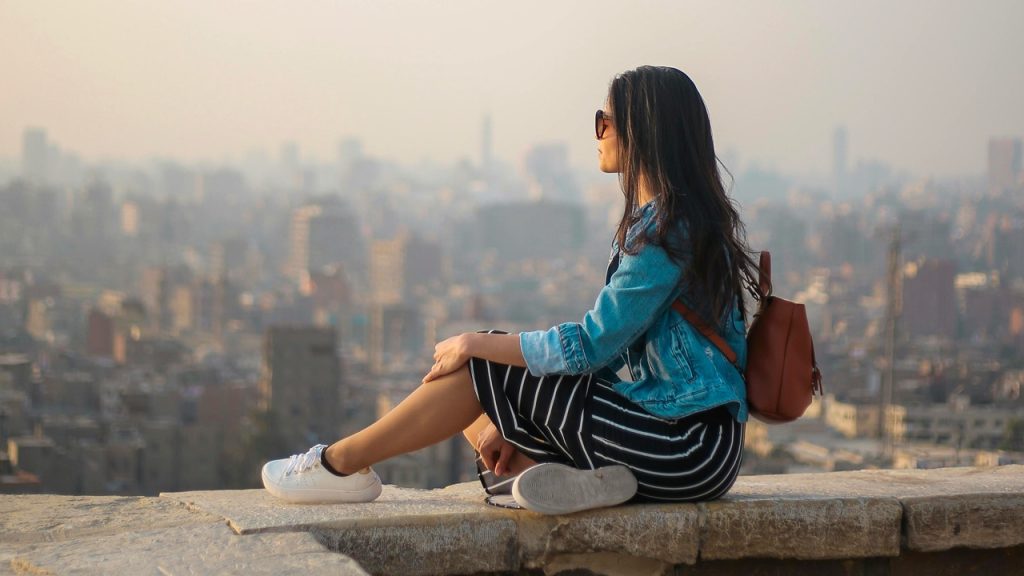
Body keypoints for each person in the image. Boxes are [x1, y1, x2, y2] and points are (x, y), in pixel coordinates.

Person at [261, 65, 760, 514]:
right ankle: (563, 473)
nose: (599, 132)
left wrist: (479, 342)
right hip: (682, 447)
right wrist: (516, 418)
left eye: (606, 121)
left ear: (644, 131)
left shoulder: (669, 231)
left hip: (687, 448)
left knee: (476, 361)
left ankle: (339, 464)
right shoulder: (674, 223)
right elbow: (611, 355)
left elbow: (589, 345)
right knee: (477, 378)